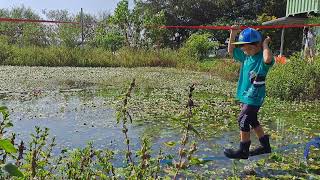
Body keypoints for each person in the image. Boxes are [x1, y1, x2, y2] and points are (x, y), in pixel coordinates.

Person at [224, 26, 274, 159]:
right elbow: (231, 51)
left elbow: (268, 59)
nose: (247, 51)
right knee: (252, 120)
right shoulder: (246, 57)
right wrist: (233, 33)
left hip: (255, 96)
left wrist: (265, 44)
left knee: (243, 120)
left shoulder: (261, 59)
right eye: (244, 49)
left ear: (258, 46)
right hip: (246, 95)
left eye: (250, 48)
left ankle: (243, 150)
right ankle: (265, 146)